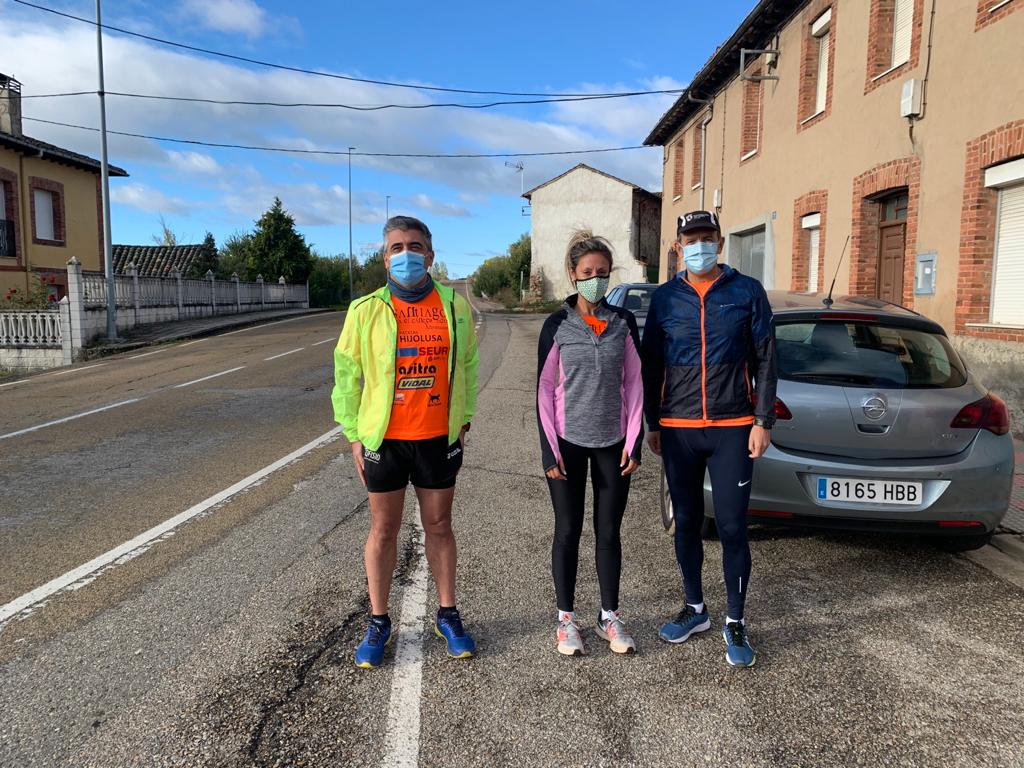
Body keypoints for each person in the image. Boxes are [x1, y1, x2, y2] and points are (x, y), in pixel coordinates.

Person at [332, 215, 479, 669]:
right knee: (383, 530)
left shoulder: (454, 306)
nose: (406, 254)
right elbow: (347, 375)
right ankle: (378, 623)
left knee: (439, 527)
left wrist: (463, 418)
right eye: (396, 247)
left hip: (436, 436)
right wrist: (354, 434)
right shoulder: (365, 310)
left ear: (430, 256)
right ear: (384, 258)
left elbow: (468, 365)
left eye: (414, 246)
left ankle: (448, 615)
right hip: (386, 440)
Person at [641, 210, 778, 668]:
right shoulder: (665, 298)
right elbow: (651, 365)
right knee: (685, 521)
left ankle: (735, 621)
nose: (699, 246)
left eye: (707, 237)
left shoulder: (746, 291)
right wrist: (652, 423)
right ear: (679, 246)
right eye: (690, 239)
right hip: (678, 428)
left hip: (734, 426)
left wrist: (763, 420)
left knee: (734, 527)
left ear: (719, 241)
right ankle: (695, 608)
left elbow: (765, 357)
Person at [537, 231, 644, 656]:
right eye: (587, 273)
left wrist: (633, 440)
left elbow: (636, 383)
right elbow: (544, 389)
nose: (595, 280)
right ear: (572, 275)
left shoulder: (624, 323)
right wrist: (549, 449)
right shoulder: (556, 326)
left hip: (612, 444)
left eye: (602, 273)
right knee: (566, 531)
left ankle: (609, 617)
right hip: (567, 443)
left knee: (608, 532)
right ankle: (566, 620)